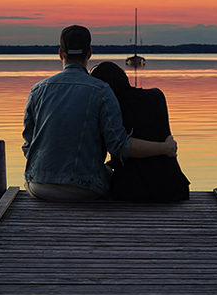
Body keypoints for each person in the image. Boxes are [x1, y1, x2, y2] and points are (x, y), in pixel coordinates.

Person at [22, 25, 177, 202]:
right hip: (84, 188)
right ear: (89, 53)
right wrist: (165, 148)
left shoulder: (37, 90)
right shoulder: (102, 90)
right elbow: (119, 146)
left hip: (38, 186)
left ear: (60, 53)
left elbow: (29, 146)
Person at [90, 61, 190, 202]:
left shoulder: (112, 109)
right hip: (173, 188)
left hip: (132, 190)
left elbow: (122, 149)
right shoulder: (157, 96)